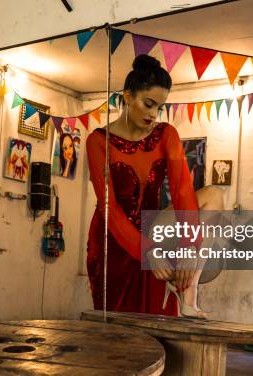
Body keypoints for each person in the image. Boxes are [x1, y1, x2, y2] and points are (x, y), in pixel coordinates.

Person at [86, 54, 205, 317]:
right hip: (112, 243)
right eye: (148, 104)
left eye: (159, 108)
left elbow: (183, 191)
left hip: (156, 234)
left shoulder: (166, 134)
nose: (153, 114)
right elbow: (109, 206)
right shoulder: (97, 141)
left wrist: (188, 245)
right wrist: (146, 251)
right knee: (118, 328)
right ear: (128, 96)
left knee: (160, 321)